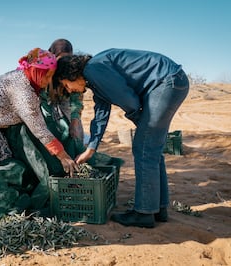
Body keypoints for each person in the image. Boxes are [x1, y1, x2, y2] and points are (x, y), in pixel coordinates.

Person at [53, 48, 190, 228]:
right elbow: (101, 112)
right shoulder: (94, 76)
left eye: (65, 85)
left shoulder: (93, 69)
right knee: (151, 149)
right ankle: (158, 209)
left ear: (70, 74)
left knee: (144, 148)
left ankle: (144, 213)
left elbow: (127, 98)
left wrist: (139, 119)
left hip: (165, 82)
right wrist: (91, 148)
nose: (69, 90)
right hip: (170, 80)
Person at [0, 48, 78, 190]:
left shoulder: (28, 80)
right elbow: (39, 128)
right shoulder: (23, 91)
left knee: (3, 155)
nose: (47, 81)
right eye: (46, 76)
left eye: (50, 77)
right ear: (36, 71)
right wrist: (63, 156)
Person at [44, 38, 84, 143]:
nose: (63, 63)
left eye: (67, 58)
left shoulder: (73, 69)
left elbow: (76, 100)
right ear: (53, 56)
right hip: (46, 108)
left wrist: (74, 122)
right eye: (60, 59)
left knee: (75, 136)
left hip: (66, 107)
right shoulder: (45, 70)